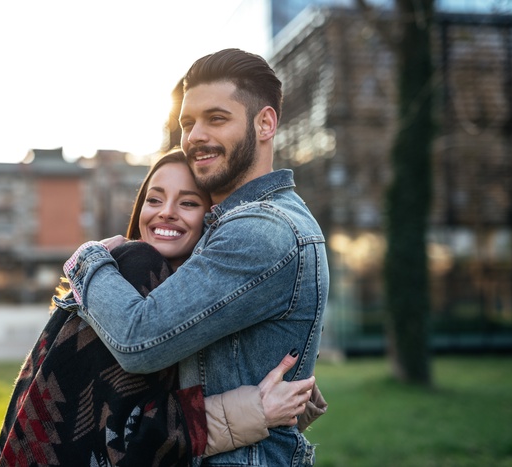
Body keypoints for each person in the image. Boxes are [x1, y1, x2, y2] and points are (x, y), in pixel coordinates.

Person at [63, 49, 330, 466]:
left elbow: (139, 339)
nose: (195, 136)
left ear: (265, 123)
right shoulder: (239, 225)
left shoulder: (262, 230)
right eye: (188, 123)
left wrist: (85, 260)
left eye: (216, 118)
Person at [0, 150, 317, 466]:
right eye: (154, 199)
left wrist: (287, 399)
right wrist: (257, 410)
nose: (166, 212)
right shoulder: (137, 269)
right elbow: (127, 435)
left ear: (212, 219)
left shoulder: (173, 298)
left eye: (188, 202)